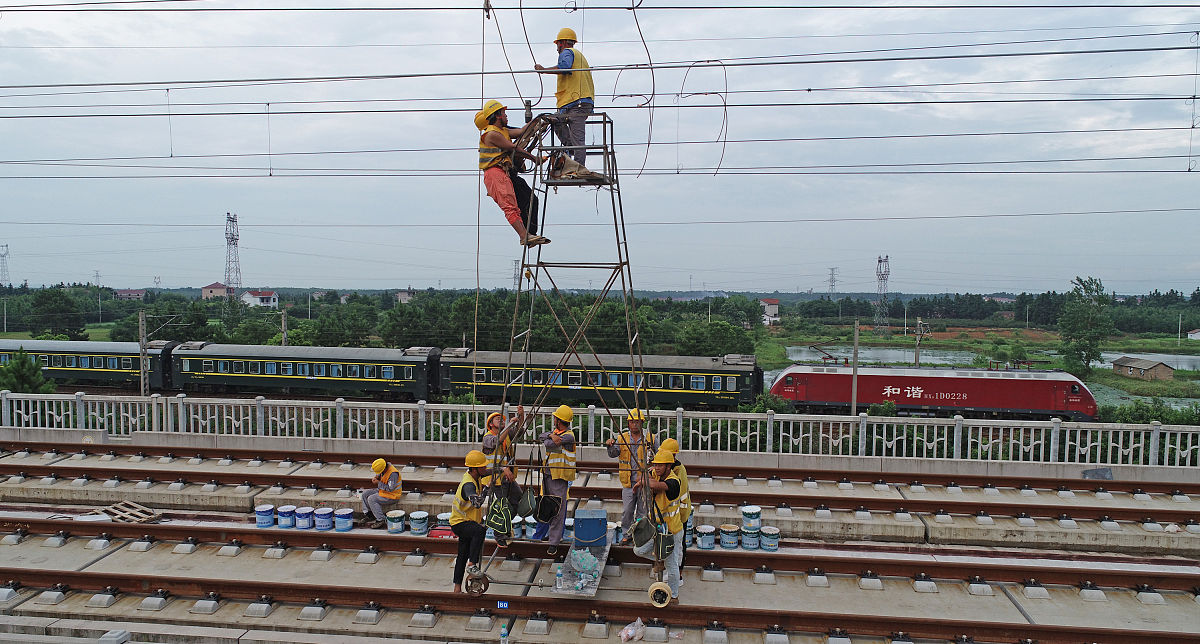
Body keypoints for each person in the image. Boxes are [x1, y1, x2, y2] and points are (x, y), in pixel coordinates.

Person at [476, 99, 549, 247]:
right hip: (494, 174)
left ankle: (529, 235)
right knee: (510, 206)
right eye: (504, 113)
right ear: (497, 115)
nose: (506, 116)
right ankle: (524, 236)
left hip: (503, 173)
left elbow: (522, 131)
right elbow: (514, 148)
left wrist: (538, 120)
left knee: (527, 200)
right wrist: (535, 159)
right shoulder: (491, 134)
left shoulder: (502, 131)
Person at [534, 27, 594, 167]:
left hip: (577, 102)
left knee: (578, 139)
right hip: (574, 102)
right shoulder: (577, 55)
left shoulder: (567, 52)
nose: (557, 47)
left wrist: (543, 71)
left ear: (563, 42)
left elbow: (565, 67)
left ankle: (578, 167)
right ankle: (571, 150)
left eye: (558, 44)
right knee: (555, 121)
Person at [635, 448, 684, 600]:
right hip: (657, 529)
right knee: (639, 550)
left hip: (671, 532)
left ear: (668, 466)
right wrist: (644, 478)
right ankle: (659, 560)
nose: (656, 468)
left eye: (660, 465)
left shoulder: (674, 481)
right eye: (655, 465)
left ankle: (674, 594)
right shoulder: (656, 474)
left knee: (672, 565)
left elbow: (657, 486)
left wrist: (642, 482)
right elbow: (644, 475)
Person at [605, 409, 659, 544]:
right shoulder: (622, 438)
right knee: (628, 511)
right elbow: (613, 454)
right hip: (628, 482)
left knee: (643, 511)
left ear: (642, 423)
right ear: (628, 423)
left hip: (645, 482)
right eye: (632, 422)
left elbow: (658, 458)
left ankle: (640, 536)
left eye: (637, 422)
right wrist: (610, 445)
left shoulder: (651, 439)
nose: (634, 425)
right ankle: (626, 534)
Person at [533, 404, 576, 553]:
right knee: (547, 505)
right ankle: (549, 536)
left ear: (559, 420)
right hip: (548, 474)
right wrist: (551, 435)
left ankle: (554, 542)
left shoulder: (569, 436)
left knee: (558, 508)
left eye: (555, 418)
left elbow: (551, 442)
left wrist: (550, 437)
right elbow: (542, 437)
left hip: (560, 476)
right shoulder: (556, 432)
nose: (554, 419)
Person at [451, 450, 494, 594]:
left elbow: (488, 471)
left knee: (462, 554)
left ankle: (457, 588)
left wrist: (503, 469)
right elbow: (477, 503)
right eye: (482, 467)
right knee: (479, 530)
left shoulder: (474, 475)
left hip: (466, 521)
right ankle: (472, 564)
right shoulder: (468, 485)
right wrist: (487, 488)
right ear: (474, 469)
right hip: (460, 523)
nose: (485, 469)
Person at [481, 406, 525, 517]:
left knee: (518, 499)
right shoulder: (488, 438)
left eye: (502, 419)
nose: (501, 420)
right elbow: (497, 441)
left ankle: (506, 525)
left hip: (507, 477)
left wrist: (521, 416)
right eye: (497, 419)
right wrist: (510, 424)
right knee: (501, 506)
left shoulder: (507, 436)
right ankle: (499, 533)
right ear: (490, 424)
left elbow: (519, 431)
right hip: (495, 479)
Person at [661, 438, 690, 574]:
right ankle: (668, 568)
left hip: (680, 514)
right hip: (670, 515)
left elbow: (679, 494)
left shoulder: (679, 470)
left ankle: (678, 572)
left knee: (679, 544)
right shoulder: (668, 467)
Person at [361, 458, 401, 529]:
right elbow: (380, 475)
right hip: (383, 491)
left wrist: (378, 483)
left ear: (384, 468)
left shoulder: (393, 474)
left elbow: (390, 488)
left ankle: (380, 519)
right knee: (365, 494)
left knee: (371, 499)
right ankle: (370, 515)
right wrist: (377, 477)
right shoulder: (383, 467)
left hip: (392, 495)